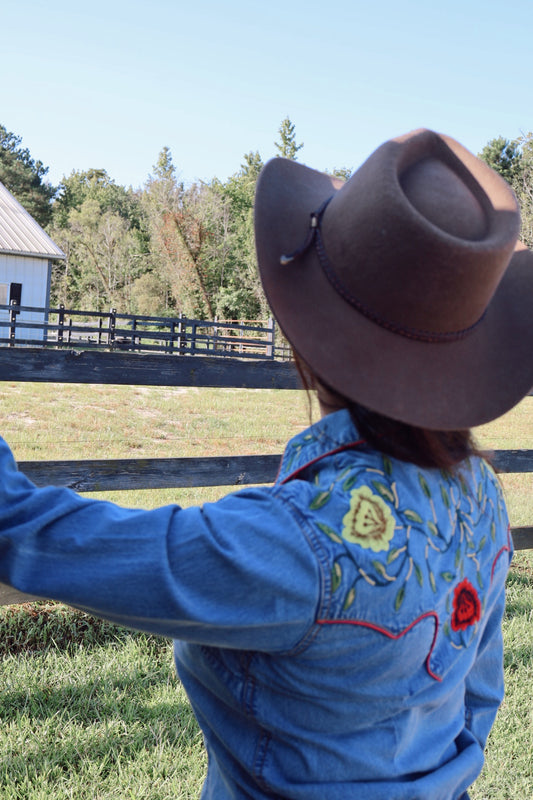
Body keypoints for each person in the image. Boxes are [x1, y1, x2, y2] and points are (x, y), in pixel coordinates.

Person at [1, 128, 532, 800]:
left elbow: (24, 532)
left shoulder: (292, 543)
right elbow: (477, 700)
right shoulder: (479, 496)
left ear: (306, 337)